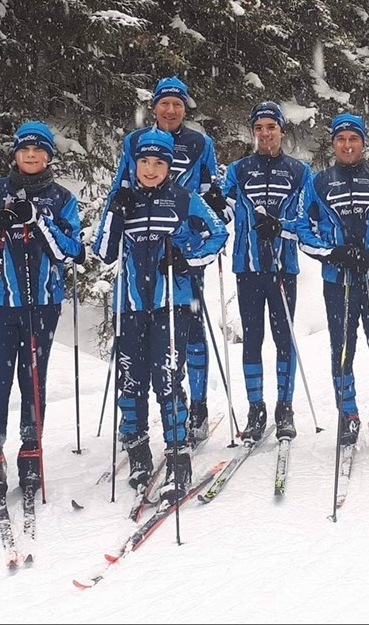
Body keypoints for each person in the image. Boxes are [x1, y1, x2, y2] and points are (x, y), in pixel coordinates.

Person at [94, 129, 227, 495]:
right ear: (134, 164)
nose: (150, 169)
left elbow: (218, 233)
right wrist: (115, 215)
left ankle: (177, 453)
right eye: (144, 162)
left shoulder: (184, 198)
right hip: (131, 304)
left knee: (167, 379)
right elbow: (104, 250)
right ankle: (137, 450)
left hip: (172, 304)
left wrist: (187, 258)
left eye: (158, 163)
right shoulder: (122, 197)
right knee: (131, 378)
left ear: (169, 166)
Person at [0, 121, 83, 501]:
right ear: (14, 153)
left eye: (39, 150)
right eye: (24, 150)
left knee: (33, 380)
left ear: (49, 155)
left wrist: (38, 221)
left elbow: (71, 250)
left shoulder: (62, 198)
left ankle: (31, 454)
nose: (31, 156)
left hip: (42, 304)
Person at [108, 76, 223, 440]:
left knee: (190, 327)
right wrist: (118, 206)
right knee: (145, 331)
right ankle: (139, 417)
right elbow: (120, 184)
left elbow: (212, 188)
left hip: (183, 247)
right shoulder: (134, 142)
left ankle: (197, 407)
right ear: (154, 107)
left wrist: (213, 208)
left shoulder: (200, 142)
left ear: (185, 107)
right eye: (164, 104)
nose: (171, 110)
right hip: (143, 243)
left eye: (177, 104)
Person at [297, 113, 369, 447]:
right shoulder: (318, 182)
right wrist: (332, 253)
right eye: (341, 139)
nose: (348, 145)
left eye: (353, 139)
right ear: (333, 143)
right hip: (338, 279)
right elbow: (304, 228)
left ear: (363, 143)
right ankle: (348, 415)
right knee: (342, 350)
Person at [219, 102, 311, 441]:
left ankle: (284, 408)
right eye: (259, 128)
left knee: (284, 340)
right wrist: (214, 207)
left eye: (271, 127)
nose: (265, 133)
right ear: (253, 131)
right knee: (252, 339)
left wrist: (281, 227)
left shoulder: (299, 171)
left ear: (281, 131)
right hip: (248, 268)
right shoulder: (238, 169)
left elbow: (306, 221)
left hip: (284, 268)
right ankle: (255, 408)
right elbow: (223, 212)